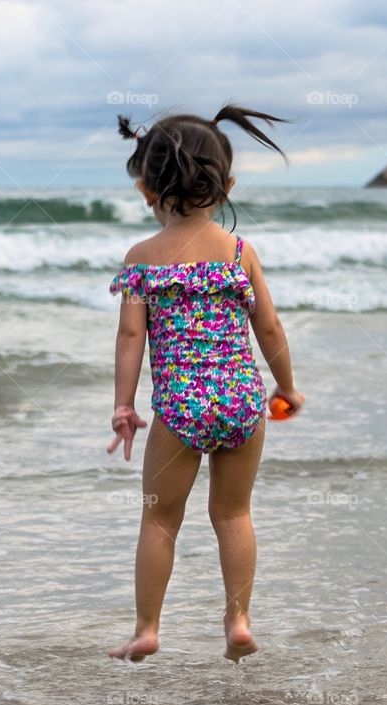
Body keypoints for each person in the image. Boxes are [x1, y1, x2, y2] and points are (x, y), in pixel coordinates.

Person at [106, 105, 303, 663]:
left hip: (179, 409)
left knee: (160, 519)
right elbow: (269, 325)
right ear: (227, 184)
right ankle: (238, 619)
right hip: (241, 401)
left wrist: (124, 405)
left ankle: (147, 628)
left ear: (147, 190)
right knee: (234, 514)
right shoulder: (240, 253)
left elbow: (129, 339)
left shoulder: (142, 259)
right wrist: (285, 387)